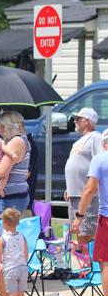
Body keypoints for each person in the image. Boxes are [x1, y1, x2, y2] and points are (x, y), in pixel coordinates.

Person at [72, 127, 108, 296]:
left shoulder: (100, 160)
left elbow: (89, 190)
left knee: (106, 264)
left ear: (104, 144)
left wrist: (79, 215)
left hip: (107, 217)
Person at [64, 107, 103, 255]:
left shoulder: (96, 137)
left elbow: (99, 162)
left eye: (78, 119)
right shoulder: (80, 141)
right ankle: (84, 267)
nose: (75, 121)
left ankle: (91, 267)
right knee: (79, 231)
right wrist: (69, 187)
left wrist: (91, 186)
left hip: (87, 195)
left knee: (89, 231)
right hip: (75, 194)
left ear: (87, 122)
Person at [0, 110, 31, 217]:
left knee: (2, 230)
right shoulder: (17, 140)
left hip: (10, 198)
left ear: (7, 126)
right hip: (11, 197)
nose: (0, 130)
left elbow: (2, 171)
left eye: (1, 126)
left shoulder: (16, 141)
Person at [0, 208, 29, 296]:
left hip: (10, 269)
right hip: (23, 268)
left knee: (12, 294)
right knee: (21, 292)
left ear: (4, 223)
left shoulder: (2, 239)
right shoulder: (22, 236)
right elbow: (26, 252)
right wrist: (24, 263)